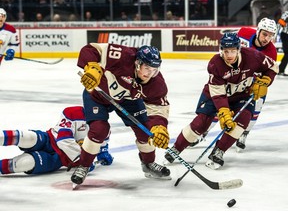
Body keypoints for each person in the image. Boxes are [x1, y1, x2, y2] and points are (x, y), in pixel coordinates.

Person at [164, 33, 278, 169]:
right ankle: (176, 148)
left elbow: (273, 67)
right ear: (221, 50)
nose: (229, 55)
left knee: (243, 119)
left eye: (233, 51)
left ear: (239, 49)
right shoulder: (215, 64)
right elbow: (218, 95)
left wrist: (266, 81)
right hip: (215, 95)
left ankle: (219, 151)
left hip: (242, 96)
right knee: (202, 123)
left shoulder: (253, 56)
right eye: (226, 51)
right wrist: (224, 113)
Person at [71, 43, 171, 185]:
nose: (150, 73)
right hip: (98, 94)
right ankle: (84, 165)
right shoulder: (121, 56)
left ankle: (148, 164)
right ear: (138, 63)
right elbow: (91, 49)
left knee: (146, 132)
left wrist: (159, 127)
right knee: (99, 129)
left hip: (127, 100)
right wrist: (92, 68)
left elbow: (158, 109)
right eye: (147, 68)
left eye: (154, 70)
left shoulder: (156, 84)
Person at [197, 18, 278, 151]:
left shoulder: (271, 52)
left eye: (270, 35)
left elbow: (269, 71)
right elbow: (228, 43)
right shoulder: (244, 33)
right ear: (258, 31)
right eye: (265, 34)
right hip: (234, 80)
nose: (267, 38)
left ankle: (244, 133)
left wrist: (265, 83)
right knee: (222, 107)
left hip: (252, 83)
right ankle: (203, 131)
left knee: (255, 108)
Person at [0, 106, 113, 175]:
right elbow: (63, 139)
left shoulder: (104, 128)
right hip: (49, 140)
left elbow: (102, 145)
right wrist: (84, 161)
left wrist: (103, 153)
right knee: (28, 137)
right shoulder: (73, 112)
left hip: (59, 160)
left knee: (25, 163)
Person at [277, 11, 288, 76]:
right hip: (285, 35)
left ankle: (281, 69)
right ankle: (281, 69)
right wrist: (275, 35)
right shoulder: (287, 13)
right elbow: (280, 23)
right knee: (287, 53)